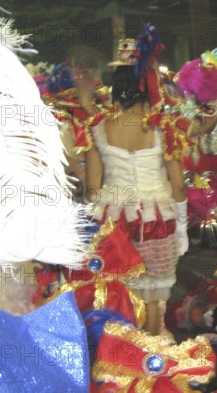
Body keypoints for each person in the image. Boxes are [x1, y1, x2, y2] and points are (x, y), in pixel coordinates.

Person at [85, 63, 188, 335]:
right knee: (153, 297)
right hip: (156, 219)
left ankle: (121, 361)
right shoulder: (163, 129)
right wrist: (183, 228)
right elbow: (178, 186)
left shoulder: (98, 128)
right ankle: (150, 365)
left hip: (112, 220)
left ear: (116, 90)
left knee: (116, 292)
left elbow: (92, 190)